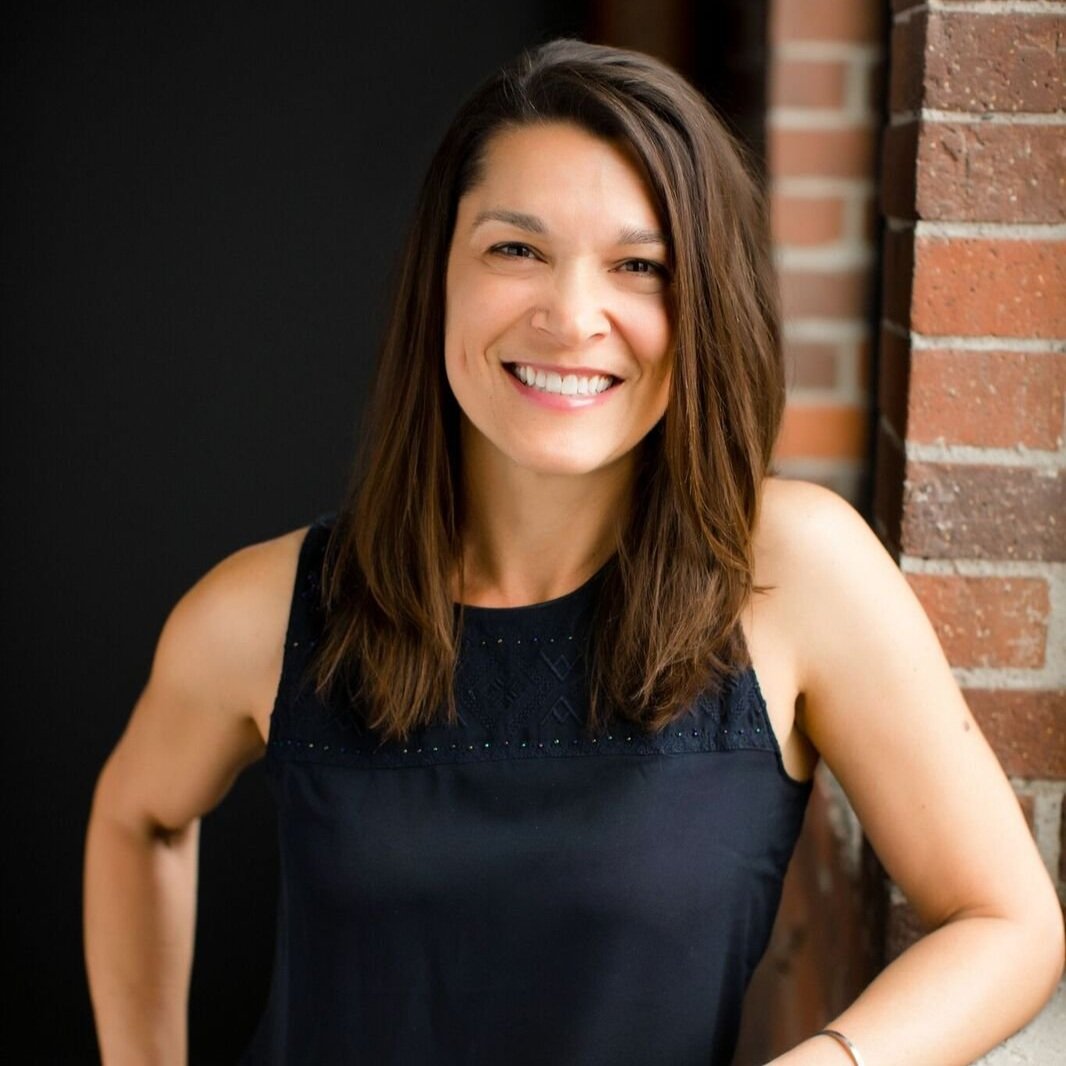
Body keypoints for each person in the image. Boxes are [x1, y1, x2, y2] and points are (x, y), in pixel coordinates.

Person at [83, 38, 1063, 1066]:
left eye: (640, 267)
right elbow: (134, 815)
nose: (570, 316)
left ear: (703, 307)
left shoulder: (791, 577)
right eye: (517, 250)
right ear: (439, 277)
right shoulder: (264, 610)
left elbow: (1007, 922)